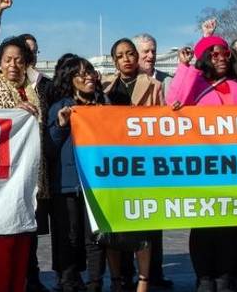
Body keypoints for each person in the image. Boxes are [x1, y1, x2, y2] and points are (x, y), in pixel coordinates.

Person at [166, 26, 237, 292]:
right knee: (205, 225)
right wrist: (187, 68)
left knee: (233, 226)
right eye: (213, 53)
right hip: (203, 171)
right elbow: (175, 102)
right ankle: (205, 276)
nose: (220, 57)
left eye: (224, 53)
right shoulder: (194, 83)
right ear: (204, 58)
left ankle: (227, 275)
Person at [0, 0, 51, 291]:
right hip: (4, 177)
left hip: (31, 176)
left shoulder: (34, 91)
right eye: (8, 59)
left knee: (25, 241)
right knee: (4, 242)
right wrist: (12, 116)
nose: (13, 65)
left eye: (19, 60)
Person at [89, 38, 161, 292]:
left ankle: (143, 279)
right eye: (121, 55)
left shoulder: (154, 85)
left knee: (142, 225)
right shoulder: (104, 86)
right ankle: (117, 279)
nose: (127, 59)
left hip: (142, 164)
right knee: (114, 226)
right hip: (112, 167)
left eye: (131, 53)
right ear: (114, 60)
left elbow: (163, 124)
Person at [46, 56, 104, 292]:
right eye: (81, 73)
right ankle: (68, 281)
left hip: (98, 183)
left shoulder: (105, 105)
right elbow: (49, 149)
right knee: (69, 236)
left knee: (95, 238)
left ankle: (95, 282)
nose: (88, 76)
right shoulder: (59, 108)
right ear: (70, 80)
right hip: (67, 184)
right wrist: (60, 126)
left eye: (90, 71)